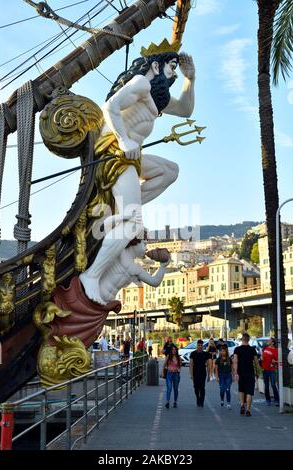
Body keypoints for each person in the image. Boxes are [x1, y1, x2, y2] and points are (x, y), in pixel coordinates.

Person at [79, 41, 195, 305]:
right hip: (114, 153)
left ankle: (125, 210)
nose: (174, 75)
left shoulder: (155, 100)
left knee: (170, 171)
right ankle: (92, 276)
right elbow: (110, 106)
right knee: (134, 225)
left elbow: (187, 110)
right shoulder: (142, 83)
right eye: (172, 68)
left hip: (132, 157)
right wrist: (123, 139)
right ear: (156, 65)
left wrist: (191, 79)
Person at [233, 332, 260, 417]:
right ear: (248, 340)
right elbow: (256, 362)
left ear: (242, 340)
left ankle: (242, 405)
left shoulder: (237, 349)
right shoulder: (252, 349)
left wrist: (235, 372)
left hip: (241, 373)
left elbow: (235, 362)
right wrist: (258, 372)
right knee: (249, 392)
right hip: (250, 373)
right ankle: (248, 410)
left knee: (241, 390)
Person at [189, 339, 210, 407]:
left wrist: (209, 375)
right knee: (196, 388)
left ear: (202, 346)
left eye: (201, 345)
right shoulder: (193, 353)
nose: (200, 346)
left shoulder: (205, 354)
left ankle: (202, 401)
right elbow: (191, 364)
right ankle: (198, 398)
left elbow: (208, 365)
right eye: (199, 345)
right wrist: (191, 374)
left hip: (203, 373)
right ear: (197, 345)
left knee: (202, 388)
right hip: (195, 373)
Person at [261, 337, 279, 406]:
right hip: (265, 369)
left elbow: (278, 361)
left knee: (273, 385)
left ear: (273, 342)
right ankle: (268, 400)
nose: (268, 341)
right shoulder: (265, 348)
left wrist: (275, 361)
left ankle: (277, 400)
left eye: (269, 340)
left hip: (272, 370)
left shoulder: (275, 350)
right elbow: (263, 358)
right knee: (266, 385)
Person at [215, 345, 233, 410]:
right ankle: (222, 399)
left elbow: (232, 368)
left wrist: (233, 375)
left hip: (228, 375)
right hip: (221, 376)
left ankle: (228, 403)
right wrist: (217, 377)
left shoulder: (229, 359)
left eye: (224, 351)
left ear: (226, 352)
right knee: (222, 390)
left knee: (227, 389)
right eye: (221, 351)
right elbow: (216, 369)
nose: (222, 352)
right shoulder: (218, 360)